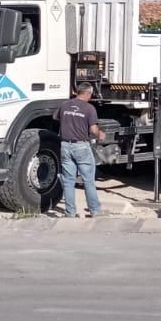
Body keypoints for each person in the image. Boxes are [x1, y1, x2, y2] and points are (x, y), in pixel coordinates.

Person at [55, 81, 105, 218]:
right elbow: (93, 129)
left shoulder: (64, 105)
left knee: (69, 181)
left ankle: (70, 212)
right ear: (88, 93)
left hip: (65, 146)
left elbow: (57, 118)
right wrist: (101, 134)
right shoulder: (89, 109)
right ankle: (94, 211)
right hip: (81, 146)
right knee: (88, 180)